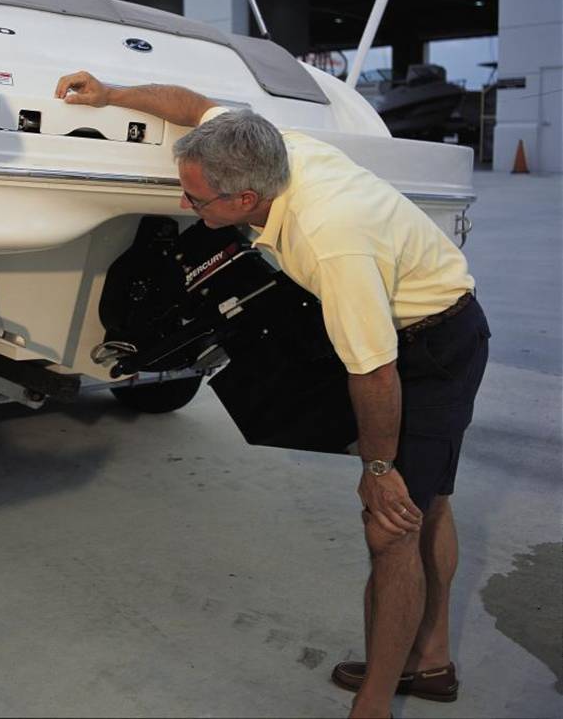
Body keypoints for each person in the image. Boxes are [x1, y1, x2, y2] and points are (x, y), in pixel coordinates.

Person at [55, 70, 489, 719]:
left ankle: (373, 704)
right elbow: (192, 102)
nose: (187, 205)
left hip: (430, 348)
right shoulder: (264, 142)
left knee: (390, 522)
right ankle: (427, 659)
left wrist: (375, 469)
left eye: (197, 201)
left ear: (245, 197)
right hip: (429, 324)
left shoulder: (329, 238)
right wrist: (110, 94)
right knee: (426, 504)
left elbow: (372, 372)